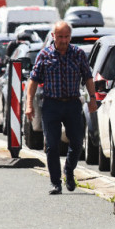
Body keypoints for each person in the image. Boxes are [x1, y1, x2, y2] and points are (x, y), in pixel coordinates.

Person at [25, 21, 97, 195]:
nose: (64, 40)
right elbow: (33, 81)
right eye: (60, 37)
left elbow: (88, 77)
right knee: (52, 145)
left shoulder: (78, 54)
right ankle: (55, 182)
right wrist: (29, 105)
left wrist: (92, 99)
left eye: (66, 37)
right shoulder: (44, 55)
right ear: (53, 36)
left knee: (78, 142)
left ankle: (69, 170)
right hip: (51, 104)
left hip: (72, 103)